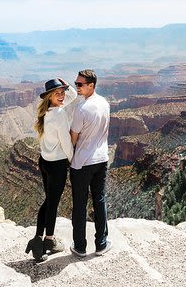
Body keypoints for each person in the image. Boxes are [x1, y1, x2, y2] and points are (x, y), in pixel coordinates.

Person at [25, 78, 78, 262]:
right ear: (49, 96)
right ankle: (48, 241)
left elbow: (71, 96)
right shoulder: (60, 114)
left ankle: (38, 238)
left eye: (62, 92)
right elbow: (65, 141)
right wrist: (73, 161)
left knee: (48, 201)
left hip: (44, 161)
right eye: (58, 93)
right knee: (52, 204)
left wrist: (66, 87)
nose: (62, 95)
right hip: (57, 165)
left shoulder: (46, 112)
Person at [69, 69, 112, 257]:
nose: (77, 87)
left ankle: (80, 247)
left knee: (80, 204)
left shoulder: (82, 109)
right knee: (99, 199)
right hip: (101, 159)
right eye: (76, 83)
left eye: (80, 84)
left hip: (82, 163)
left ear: (91, 85)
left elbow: (73, 138)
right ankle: (101, 243)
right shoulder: (104, 103)